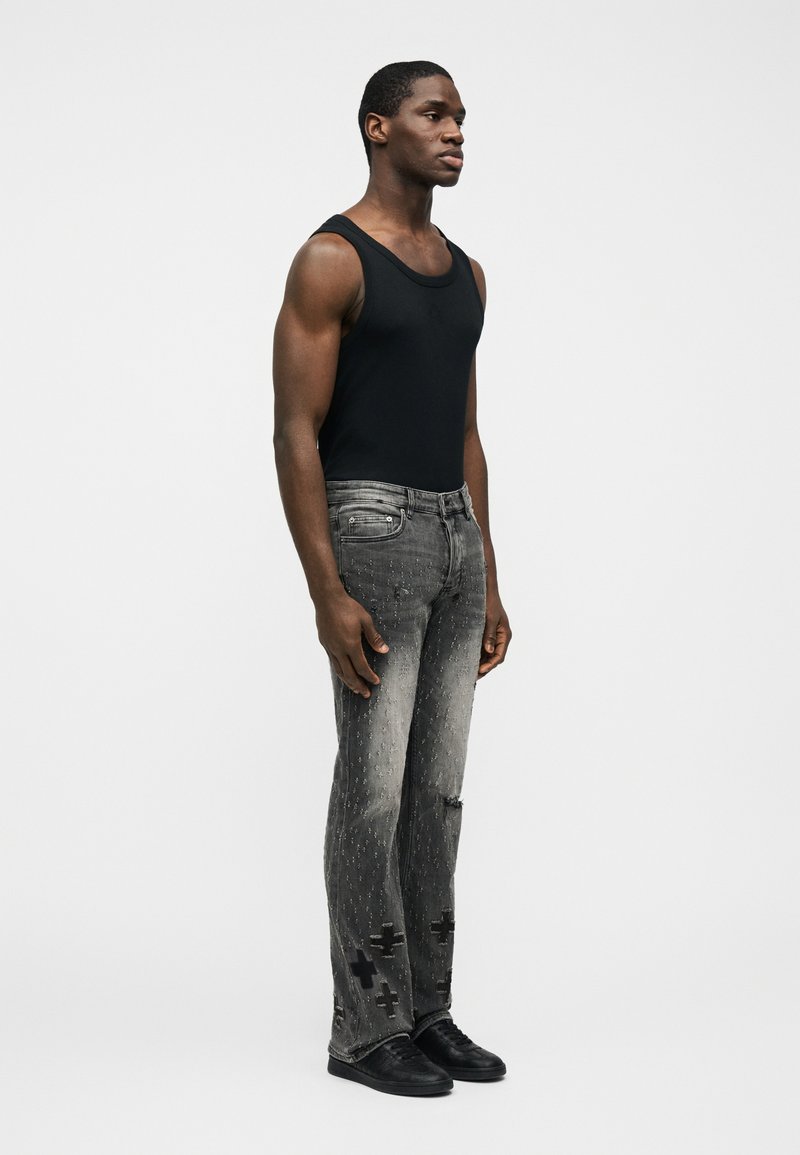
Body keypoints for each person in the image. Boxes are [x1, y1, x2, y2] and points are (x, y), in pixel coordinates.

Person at [272, 60, 512, 1096]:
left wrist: (489, 571)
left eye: (460, 117)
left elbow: (465, 430)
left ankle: (427, 1011)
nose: (454, 131)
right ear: (379, 127)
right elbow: (294, 431)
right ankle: (364, 1032)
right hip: (370, 531)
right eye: (433, 113)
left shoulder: (468, 274)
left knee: (437, 795)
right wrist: (325, 589)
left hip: (454, 537)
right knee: (371, 793)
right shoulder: (332, 259)